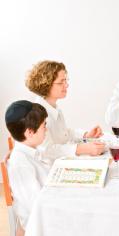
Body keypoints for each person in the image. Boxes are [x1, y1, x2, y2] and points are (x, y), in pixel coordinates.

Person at [26, 60, 105, 163]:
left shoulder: (53, 107)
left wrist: (86, 135)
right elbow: (47, 150)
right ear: (46, 85)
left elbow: (63, 134)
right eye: (61, 82)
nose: (66, 85)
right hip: (49, 170)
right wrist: (80, 149)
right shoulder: (37, 113)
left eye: (66, 80)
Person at [5, 100, 49, 233]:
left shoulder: (30, 150)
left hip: (46, 207)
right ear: (29, 132)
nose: (46, 129)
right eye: (44, 126)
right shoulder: (20, 163)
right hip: (41, 224)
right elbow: (36, 206)